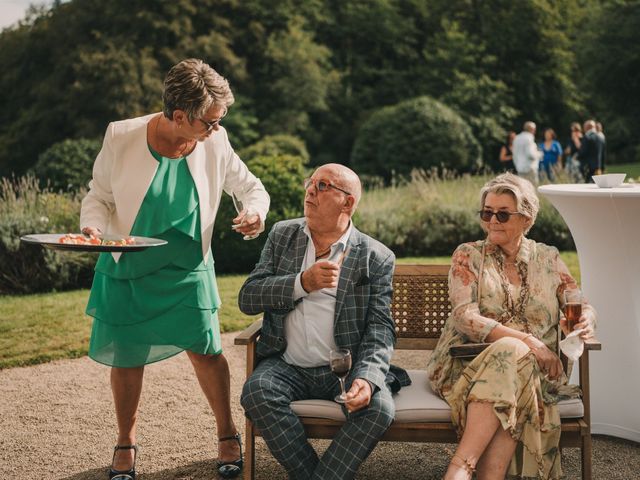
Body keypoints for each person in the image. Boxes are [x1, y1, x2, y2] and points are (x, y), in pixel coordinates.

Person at [80, 58, 270, 480]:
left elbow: (250, 188)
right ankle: (125, 442)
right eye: (210, 122)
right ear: (180, 115)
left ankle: (226, 433)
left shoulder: (214, 143)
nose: (216, 129)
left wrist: (255, 213)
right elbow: (100, 195)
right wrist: (91, 225)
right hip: (128, 264)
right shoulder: (122, 135)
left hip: (188, 266)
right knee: (127, 357)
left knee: (206, 352)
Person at [239, 163, 409, 480]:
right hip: (287, 364)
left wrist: (368, 378)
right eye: (311, 183)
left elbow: (380, 329)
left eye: (323, 186)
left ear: (348, 202)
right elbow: (248, 298)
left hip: (343, 369)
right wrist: (302, 282)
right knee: (256, 392)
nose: (310, 191)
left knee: (378, 410)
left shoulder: (375, 256)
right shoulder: (282, 235)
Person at [426, 173, 596, 479]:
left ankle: (463, 470)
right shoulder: (468, 255)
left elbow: (578, 301)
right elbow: (467, 317)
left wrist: (587, 318)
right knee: (515, 351)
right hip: (466, 367)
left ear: (526, 218)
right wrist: (531, 343)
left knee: (517, 362)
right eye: (486, 212)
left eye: (502, 214)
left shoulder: (549, 258)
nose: (492, 220)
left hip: (530, 374)